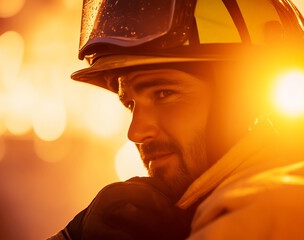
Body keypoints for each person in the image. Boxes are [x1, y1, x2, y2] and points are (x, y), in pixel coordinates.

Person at [49, 0, 304, 239]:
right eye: (130, 104)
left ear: (244, 99)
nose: (135, 132)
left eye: (164, 93)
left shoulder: (257, 216)